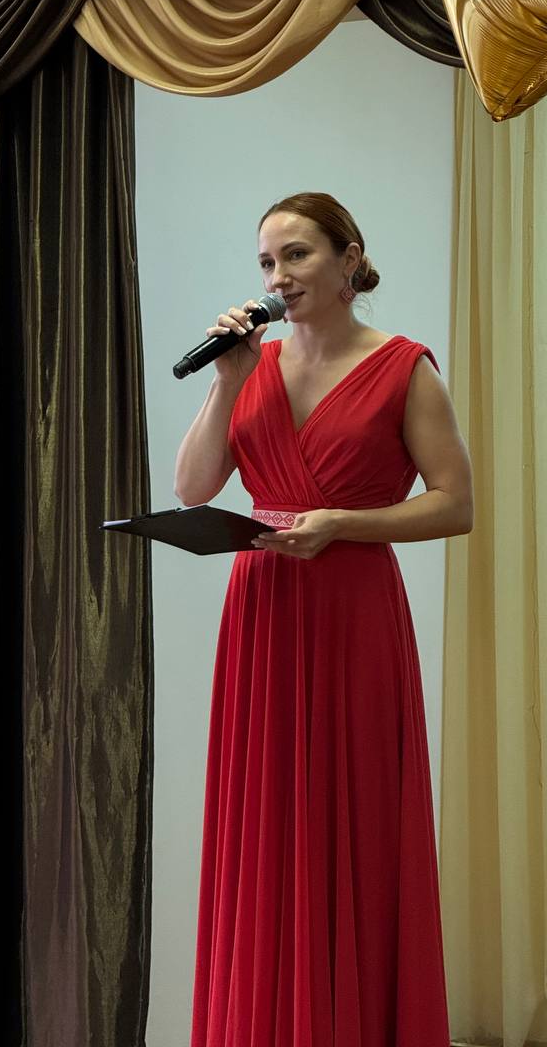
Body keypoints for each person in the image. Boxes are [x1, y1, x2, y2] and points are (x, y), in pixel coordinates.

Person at [175, 192, 473, 1047]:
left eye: (297, 255)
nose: (278, 276)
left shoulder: (405, 368)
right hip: (264, 614)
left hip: (353, 616)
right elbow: (193, 488)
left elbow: (455, 505)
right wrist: (228, 381)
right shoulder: (252, 367)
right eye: (267, 262)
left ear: (350, 260)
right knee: (267, 829)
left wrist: (344, 523)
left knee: (355, 820)